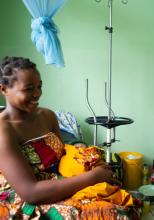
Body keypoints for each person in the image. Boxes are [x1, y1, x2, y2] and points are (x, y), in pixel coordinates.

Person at [0, 56, 126, 219]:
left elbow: (63, 155)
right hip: (33, 198)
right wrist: (93, 177)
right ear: (4, 89)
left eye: (39, 86)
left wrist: (89, 160)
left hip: (59, 182)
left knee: (118, 198)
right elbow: (30, 192)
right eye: (29, 89)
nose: (37, 94)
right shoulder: (4, 130)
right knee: (109, 213)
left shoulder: (47, 115)